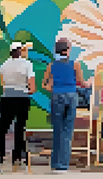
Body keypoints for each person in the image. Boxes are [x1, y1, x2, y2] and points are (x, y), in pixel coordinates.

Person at [42, 38, 86, 173]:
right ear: (67, 49)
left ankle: (55, 163)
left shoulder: (51, 65)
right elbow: (80, 82)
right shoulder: (75, 65)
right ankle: (63, 165)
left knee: (57, 129)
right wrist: (88, 84)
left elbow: (44, 84)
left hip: (56, 96)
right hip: (71, 96)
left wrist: (53, 89)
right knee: (67, 130)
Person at [0, 43, 36, 172]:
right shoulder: (27, 64)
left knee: (2, 128)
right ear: (20, 51)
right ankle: (17, 156)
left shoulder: (4, 65)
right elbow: (32, 87)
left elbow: (2, 82)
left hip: (6, 98)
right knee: (20, 127)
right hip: (22, 97)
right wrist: (26, 90)